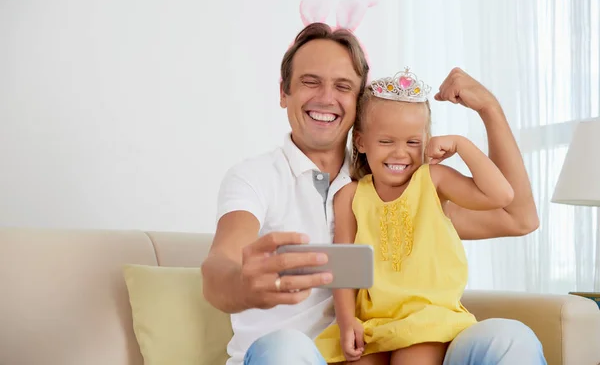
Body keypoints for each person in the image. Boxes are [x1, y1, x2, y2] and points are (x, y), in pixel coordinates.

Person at [201, 22, 545, 365]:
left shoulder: (402, 185)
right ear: (283, 92)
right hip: (300, 355)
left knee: (510, 339)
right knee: (283, 349)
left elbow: (518, 217)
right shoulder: (255, 178)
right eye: (310, 82)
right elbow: (220, 266)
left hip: (388, 342)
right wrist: (242, 285)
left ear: (359, 100)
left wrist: (490, 110)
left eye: (343, 86)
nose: (325, 97)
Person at [313, 69, 514, 365]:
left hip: (429, 320)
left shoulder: (434, 180)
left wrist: (462, 144)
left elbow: (502, 195)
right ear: (360, 142)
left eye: (412, 142)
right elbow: (344, 266)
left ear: (427, 140)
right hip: (374, 324)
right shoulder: (350, 196)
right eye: (386, 141)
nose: (400, 153)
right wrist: (346, 321)